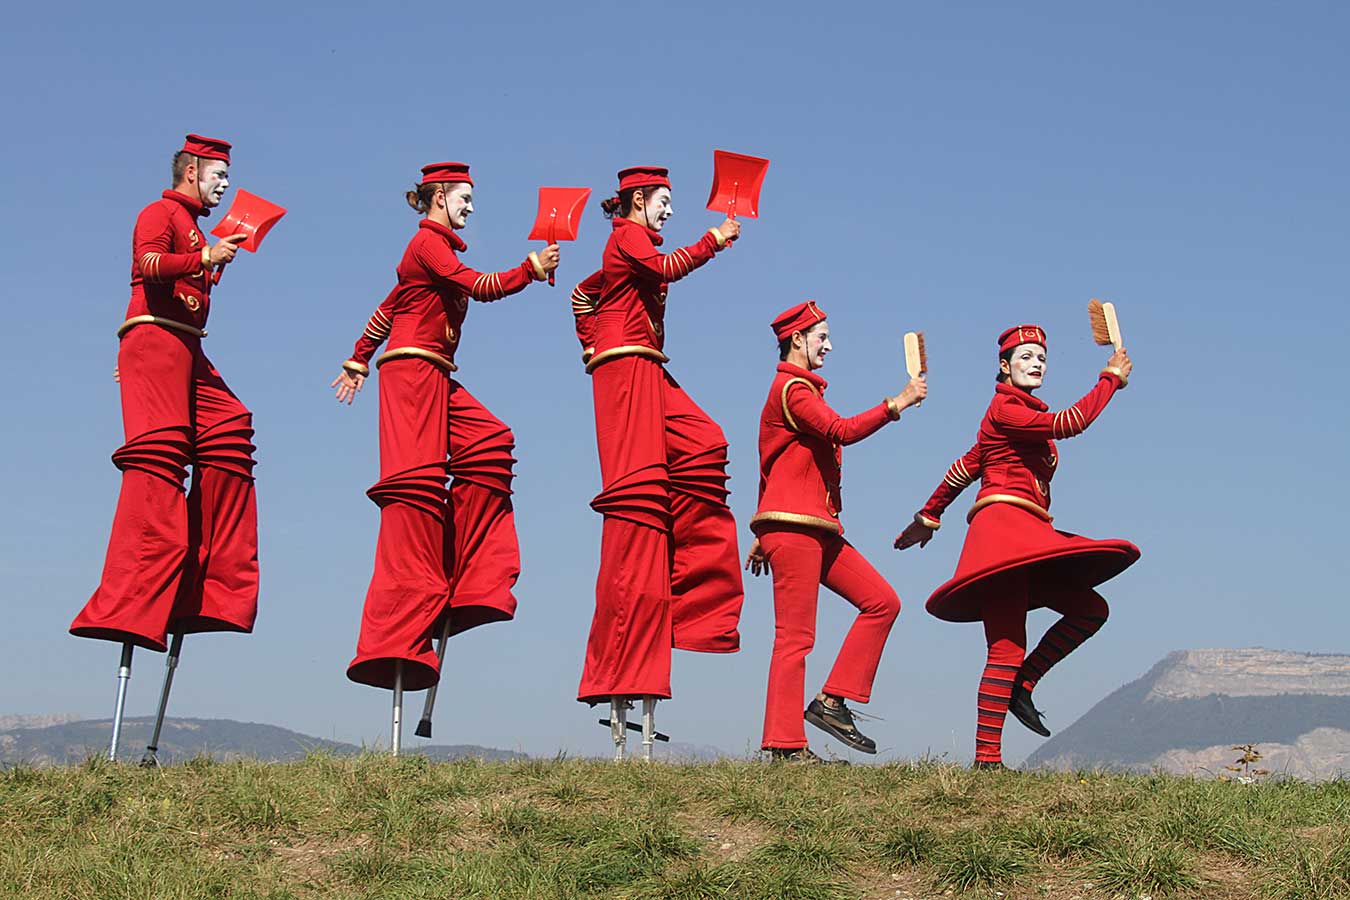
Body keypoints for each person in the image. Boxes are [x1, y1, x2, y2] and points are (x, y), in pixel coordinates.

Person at [332, 162, 558, 700]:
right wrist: (528, 268)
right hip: (412, 377)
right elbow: (478, 287)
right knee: (417, 493)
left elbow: (388, 308)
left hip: (435, 373)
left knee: (491, 441)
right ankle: (406, 620)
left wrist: (358, 358)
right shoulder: (428, 247)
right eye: (464, 197)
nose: (470, 207)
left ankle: (467, 576)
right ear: (438, 198)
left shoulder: (432, 252)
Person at [894, 324, 1138, 768]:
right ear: (1004, 367)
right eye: (1025, 357)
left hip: (1030, 536)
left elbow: (963, 468)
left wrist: (927, 518)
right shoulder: (1006, 408)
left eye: (1041, 357)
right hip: (1002, 535)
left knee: (1090, 609)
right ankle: (988, 761)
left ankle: (1023, 685)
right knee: (1005, 647)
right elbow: (1072, 423)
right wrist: (1110, 379)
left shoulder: (1012, 416)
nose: (1037, 363)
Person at [574, 166, 744, 746]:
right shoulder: (628, 236)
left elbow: (582, 293)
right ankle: (627, 665)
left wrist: (589, 337)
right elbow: (666, 267)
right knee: (639, 501)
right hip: (627, 371)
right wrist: (714, 242)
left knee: (706, 441)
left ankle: (694, 582)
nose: (670, 212)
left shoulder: (631, 243)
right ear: (638, 199)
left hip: (647, 365)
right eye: (664, 201)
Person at [745, 302, 926, 762]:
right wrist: (896, 403)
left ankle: (831, 702)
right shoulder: (792, 388)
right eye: (820, 336)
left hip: (812, 527)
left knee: (882, 602)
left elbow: (772, 460)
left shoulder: (800, 390)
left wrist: (762, 527)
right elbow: (840, 431)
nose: (828, 344)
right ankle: (785, 747)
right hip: (796, 530)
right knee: (795, 637)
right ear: (797, 340)